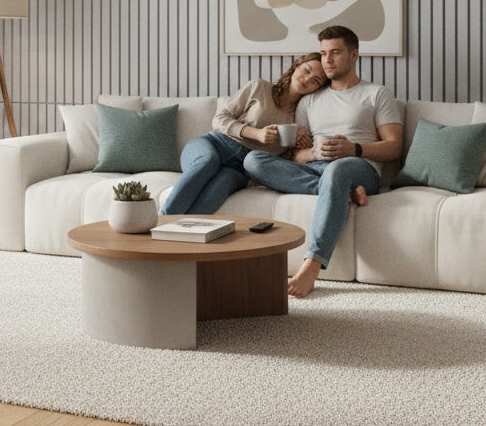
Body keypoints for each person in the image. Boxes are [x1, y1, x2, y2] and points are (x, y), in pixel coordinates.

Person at [243, 25, 403, 298]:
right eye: (323, 53)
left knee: (338, 170)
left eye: (335, 53)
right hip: (317, 167)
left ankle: (312, 265)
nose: (327, 60)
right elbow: (294, 155)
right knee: (253, 160)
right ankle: (340, 192)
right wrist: (314, 154)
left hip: (358, 167)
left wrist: (354, 149)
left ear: (354, 55)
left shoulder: (376, 94)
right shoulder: (309, 101)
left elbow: (393, 147)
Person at [160, 53, 328, 216]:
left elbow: (279, 163)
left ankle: (179, 231)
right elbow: (219, 119)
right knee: (207, 161)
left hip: (239, 170)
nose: (307, 79)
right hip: (213, 144)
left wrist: (299, 146)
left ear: (318, 88)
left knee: (221, 186)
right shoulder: (260, 87)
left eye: (316, 80)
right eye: (306, 70)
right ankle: (161, 221)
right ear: (297, 65)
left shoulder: (300, 117)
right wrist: (257, 134)